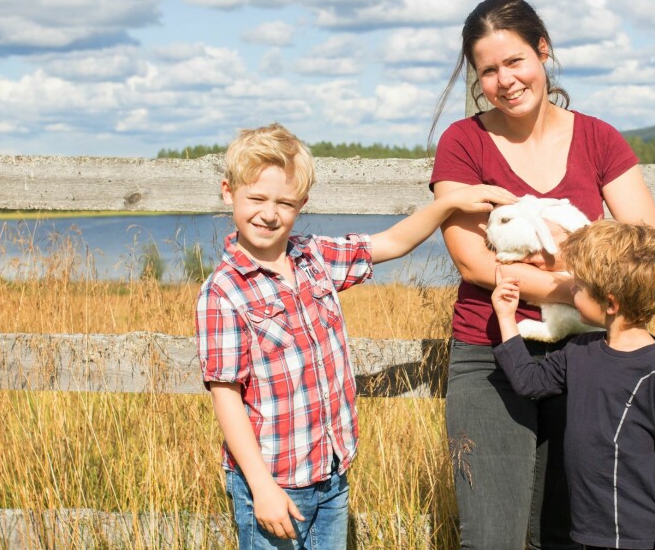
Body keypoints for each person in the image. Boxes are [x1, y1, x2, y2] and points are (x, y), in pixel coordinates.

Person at [196, 122, 516, 550]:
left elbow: (390, 243)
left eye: (284, 202)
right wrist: (261, 487)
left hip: (331, 472)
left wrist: (450, 203)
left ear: (301, 204)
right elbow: (227, 396)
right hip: (274, 481)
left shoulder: (313, 257)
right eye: (256, 198)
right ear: (228, 192)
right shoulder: (223, 291)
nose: (269, 213)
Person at [429, 0, 655, 549]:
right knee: (495, 537)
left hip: (586, 357)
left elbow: (649, 250)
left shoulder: (598, 138)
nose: (504, 80)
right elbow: (472, 260)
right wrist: (574, 283)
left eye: (515, 62)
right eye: (488, 70)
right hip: (490, 355)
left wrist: (571, 284)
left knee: (571, 533)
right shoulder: (463, 143)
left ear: (544, 51)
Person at [491, 220, 655, 550]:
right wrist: (505, 317)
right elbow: (529, 382)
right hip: (583, 534)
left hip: (639, 540)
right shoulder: (579, 351)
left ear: (611, 303)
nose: (570, 289)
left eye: (579, 286)